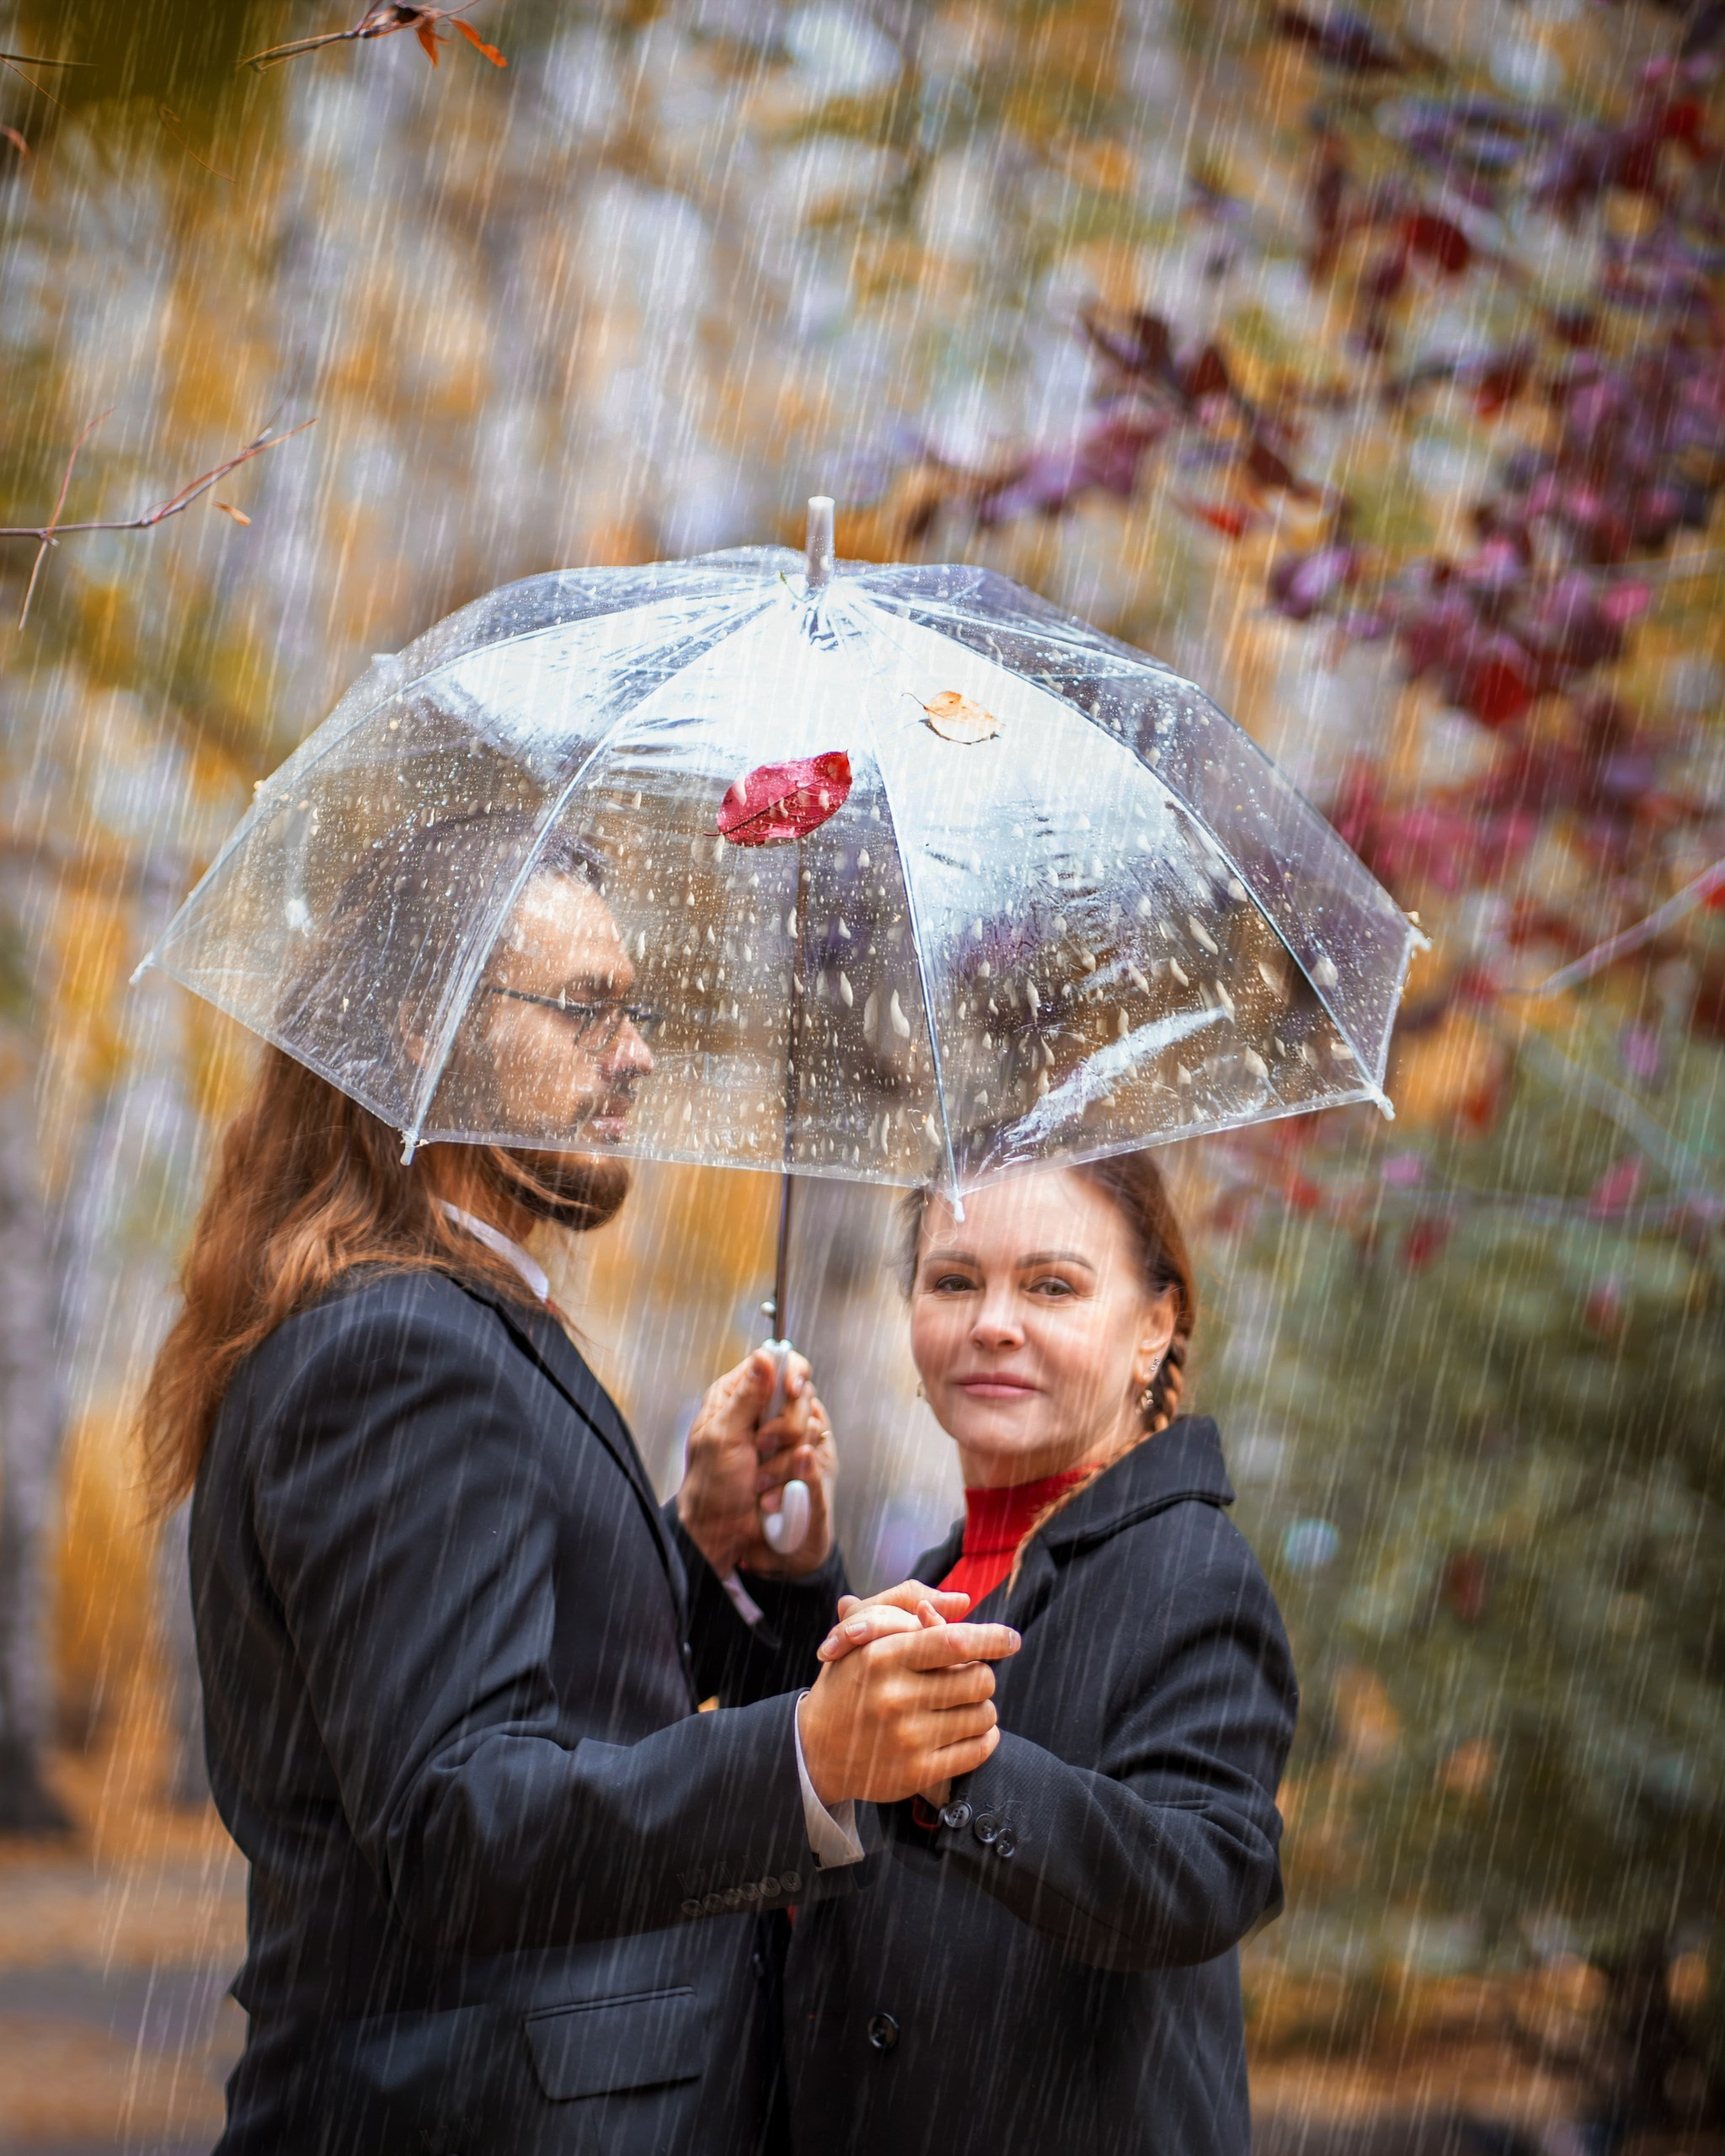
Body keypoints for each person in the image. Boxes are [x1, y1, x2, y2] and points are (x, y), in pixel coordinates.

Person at [137, 815, 1019, 2156]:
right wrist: (807, 1751)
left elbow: (549, 1698)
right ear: (424, 1035)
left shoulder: (459, 1325)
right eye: (583, 1009)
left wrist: (710, 1552)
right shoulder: (399, 1353)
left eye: (636, 1008)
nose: (639, 1053)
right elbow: (459, 1820)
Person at [782, 1154, 1298, 2156]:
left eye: (1051, 1285)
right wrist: (783, 1576)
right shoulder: (946, 1570)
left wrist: (954, 1765)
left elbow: (1204, 1877)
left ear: (1155, 1324)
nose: (991, 1322)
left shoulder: (1188, 1567)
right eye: (953, 1280)